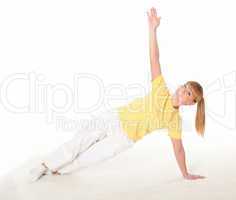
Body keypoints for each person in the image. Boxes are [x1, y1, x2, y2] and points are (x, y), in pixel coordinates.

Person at [29, 7, 206, 182]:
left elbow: (179, 149)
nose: (183, 90)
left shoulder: (174, 120)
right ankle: (45, 166)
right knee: (81, 141)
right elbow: (154, 58)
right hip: (115, 118)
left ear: (191, 103)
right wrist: (152, 29)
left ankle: (59, 171)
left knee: (91, 157)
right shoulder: (161, 90)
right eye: (185, 86)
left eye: (188, 92)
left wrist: (185, 174)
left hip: (124, 139)